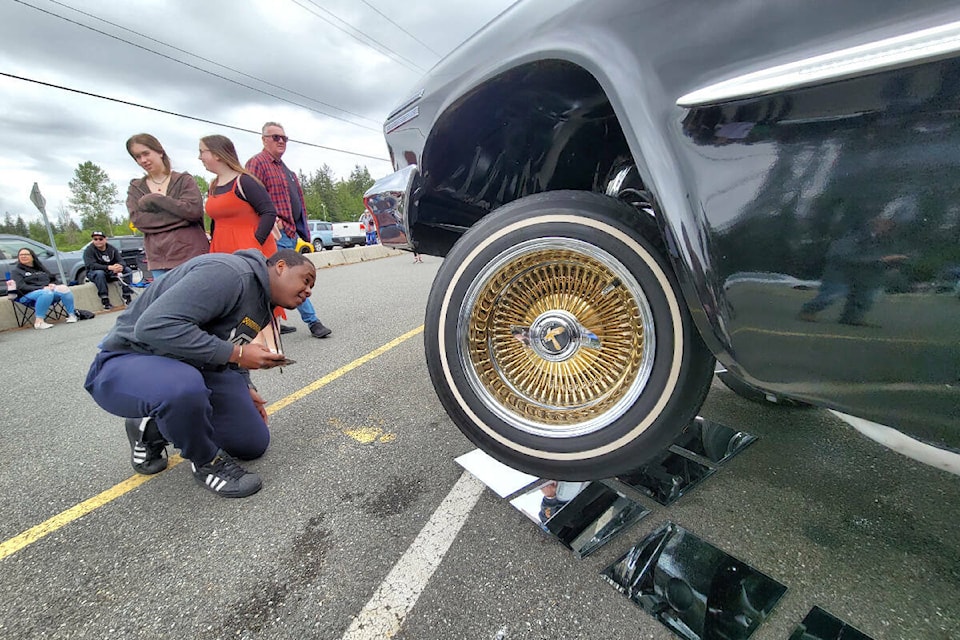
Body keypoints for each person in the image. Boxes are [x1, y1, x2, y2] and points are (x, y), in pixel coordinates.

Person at [84, 248, 317, 498]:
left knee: (251, 443)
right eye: (306, 280)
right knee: (183, 387)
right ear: (280, 266)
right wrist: (237, 354)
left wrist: (245, 386)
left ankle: (157, 426)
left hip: (193, 364)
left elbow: (230, 345)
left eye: (311, 286)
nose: (309, 291)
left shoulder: (262, 304)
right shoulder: (228, 274)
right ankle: (206, 462)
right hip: (133, 357)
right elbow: (152, 327)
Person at [246, 121, 331, 339]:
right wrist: (270, 222)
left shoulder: (287, 170)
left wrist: (301, 229)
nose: (281, 141)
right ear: (264, 139)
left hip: (291, 232)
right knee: (293, 279)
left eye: (284, 138)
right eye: (276, 137)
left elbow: (297, 202)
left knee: (272, 280)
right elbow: (250, 198)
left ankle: (272, 321)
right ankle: (313, 322)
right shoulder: (257, 164)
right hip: (275, 234)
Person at [125, 133, 209, 281]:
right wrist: (181, 217)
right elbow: (139, 220)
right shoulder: (136, 188)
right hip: (159, 261)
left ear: (159, 151)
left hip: (192, 256)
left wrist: (156, 200)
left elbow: (193, 211)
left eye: (146, 153)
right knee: (169, 303)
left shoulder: (183, 180)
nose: (143, 160)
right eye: (138, 157)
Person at [199, 134, 279, 258]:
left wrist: (256, 242)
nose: (199, 157)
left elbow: (269, 212)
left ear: (217, 154)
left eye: (202, 152)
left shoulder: (244, 181)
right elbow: (215, 222)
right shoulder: (213, 186)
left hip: (250, 254)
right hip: (221, 253)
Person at [11, 247, 78, 329]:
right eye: (21, 255)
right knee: (46, 293)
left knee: (64, 288)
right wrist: (42, 288)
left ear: (32, 256)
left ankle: (72, 315)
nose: (23, 256)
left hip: (47, 292)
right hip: (26, 295)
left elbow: (53, 279)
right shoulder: (16, 271)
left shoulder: (40, 268)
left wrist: (53, 284)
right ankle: (39, 322)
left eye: (26, 254)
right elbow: (21, 287)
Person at [83, 231, 135, 309]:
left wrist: (119, 266)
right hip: (94, 272)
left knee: (127, 270)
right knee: (99, 273)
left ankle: (127, 295)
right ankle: (105, 300)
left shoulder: (112, 249)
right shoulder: (89, 250)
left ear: (105, 239)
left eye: (100, 239)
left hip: (111, 271)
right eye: (95, 239)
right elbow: (91, 265)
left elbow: (121, 261)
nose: (98, 241)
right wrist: (109, 267)